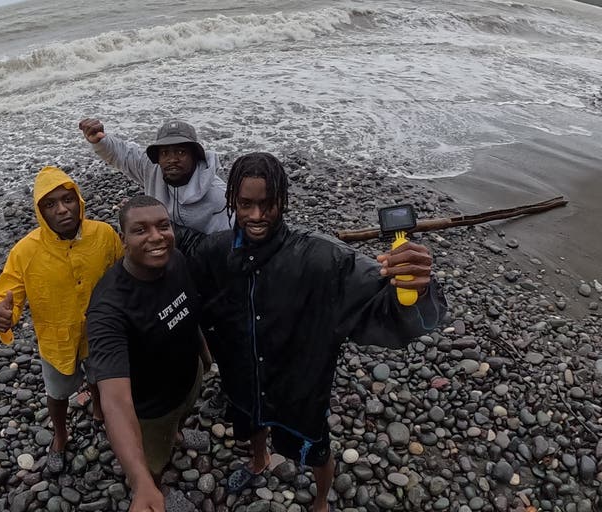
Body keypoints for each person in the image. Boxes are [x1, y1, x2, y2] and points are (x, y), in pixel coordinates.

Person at [185, 153, 447, 512]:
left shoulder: (323, 258)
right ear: (232, 201)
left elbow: (381, 300)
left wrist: (415, 289)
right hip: (243, 375)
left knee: (316, 449)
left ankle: (321, 501)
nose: (257, 216)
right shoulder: (214, 252)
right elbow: (181, 291)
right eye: (246, 204)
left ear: (283, 202)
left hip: (299, 385)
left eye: (268, 204)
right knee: (251, 422)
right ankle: (258, 461)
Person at [0, 165, 123, 473]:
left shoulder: (103, 234)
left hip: (101, 333)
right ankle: (61, 434)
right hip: (56, 340)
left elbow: (122, 275)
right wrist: (1, 313)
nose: (62, 209)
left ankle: (100, 410)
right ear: (40, 212)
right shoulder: (25, 252)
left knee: (101, 377)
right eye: (50, 204)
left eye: (68, 199)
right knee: (58, 393)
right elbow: (6, 294)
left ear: (79, 200)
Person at [85, 195, 208, 512]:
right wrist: (140, 482)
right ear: (123, 240)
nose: (156, 237)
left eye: (163, 226)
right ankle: (154, 481)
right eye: (141, 230)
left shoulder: (176, 260)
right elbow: (115, 398)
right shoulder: (109, 308)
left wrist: (205, 360)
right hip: (150, 410)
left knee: (183, 412)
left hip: (188, 377)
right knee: (153, 462)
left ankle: (178, 432)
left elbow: (190, 314)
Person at [79, 118, 231, 234]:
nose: (172, 160)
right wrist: (100, 141)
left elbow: (227, 240)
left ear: (195, 156)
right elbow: (124, 155)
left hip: (201, 252)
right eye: (165, 153)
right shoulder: (152, 169)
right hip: (163, 241)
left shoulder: (218, 195)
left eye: (181, 152)